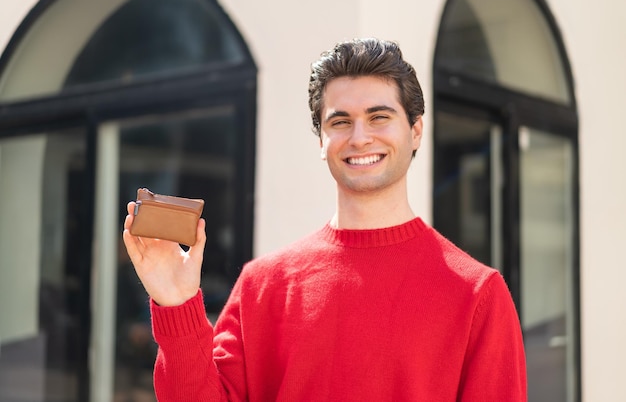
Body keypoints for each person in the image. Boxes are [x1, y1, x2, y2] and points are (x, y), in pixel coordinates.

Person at [123, 37, 527, 401]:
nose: (359, 137)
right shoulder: (263, 286)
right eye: (340, 121)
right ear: (322, 140)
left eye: (379, 117)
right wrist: (177, 304)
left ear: (416, 131)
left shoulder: (478, 296)